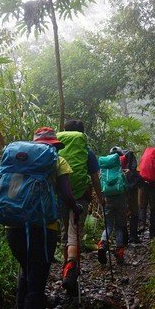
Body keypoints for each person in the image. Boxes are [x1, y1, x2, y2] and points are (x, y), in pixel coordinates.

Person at [4, 127, 81, 309]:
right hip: (43, 230)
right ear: (54, 145)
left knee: (26, 276)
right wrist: (75, 209)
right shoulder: (57, 160)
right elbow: (67, 195)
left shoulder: (20, 159)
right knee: (37, 287)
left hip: (13, 228)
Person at [57, 119, 104, 294]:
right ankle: (71, 269)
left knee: (65, 234)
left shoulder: (56, 149)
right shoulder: (86, 151)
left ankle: (66, 270)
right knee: (75, 234)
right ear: (82, 134)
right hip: (81, 198)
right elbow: (95, 178)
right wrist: (100, 198)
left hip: (61, 197)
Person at [97, 151, 128, 265]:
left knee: (108, 225)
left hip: (107, 200)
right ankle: (119, 252)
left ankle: (102, 243)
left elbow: (100, 187)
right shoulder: (120, 173)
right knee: (119, 227)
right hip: (120, 200)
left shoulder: (103, 173)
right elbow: (126, 187)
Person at [110, 145, 141, 244]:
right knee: (134, 212)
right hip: (131, 188)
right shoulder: (129, 156)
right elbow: (136, 172)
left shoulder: (111, 159)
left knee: (121, 214)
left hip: (118, 190)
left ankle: (123, 239)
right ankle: (133, 236)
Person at [137, 146, 155, 238]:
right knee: (153, 208)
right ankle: (152, 230)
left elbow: (139, 169)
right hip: (154, 184)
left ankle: (141, 224)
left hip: (143, 182)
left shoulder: (144, 156)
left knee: (142, 206)